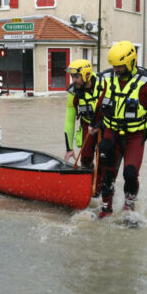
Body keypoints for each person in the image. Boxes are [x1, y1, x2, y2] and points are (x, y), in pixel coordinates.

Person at [94, 41, 147, 219]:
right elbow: (100, 105)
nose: (116, 70)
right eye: (114, 66)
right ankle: (106, 209)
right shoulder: (109, 78)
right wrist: (93, 126)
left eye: (120, 66)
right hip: (111, 132)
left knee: (130, 174)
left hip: (135, 135)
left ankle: (129, 206)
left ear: (131, 62)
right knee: (107, 174)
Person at [63, 59, 106, 195]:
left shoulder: (105, 84)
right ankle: (89, 184)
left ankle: (103, 188)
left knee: (104, 159)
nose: (73, 80)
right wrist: (69, 148)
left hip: (106, 126)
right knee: (86, 159)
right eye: (72, 77)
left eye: (76, 76)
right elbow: (69, 121)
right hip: (87, 125)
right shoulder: (73, 93)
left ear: (87, 75)